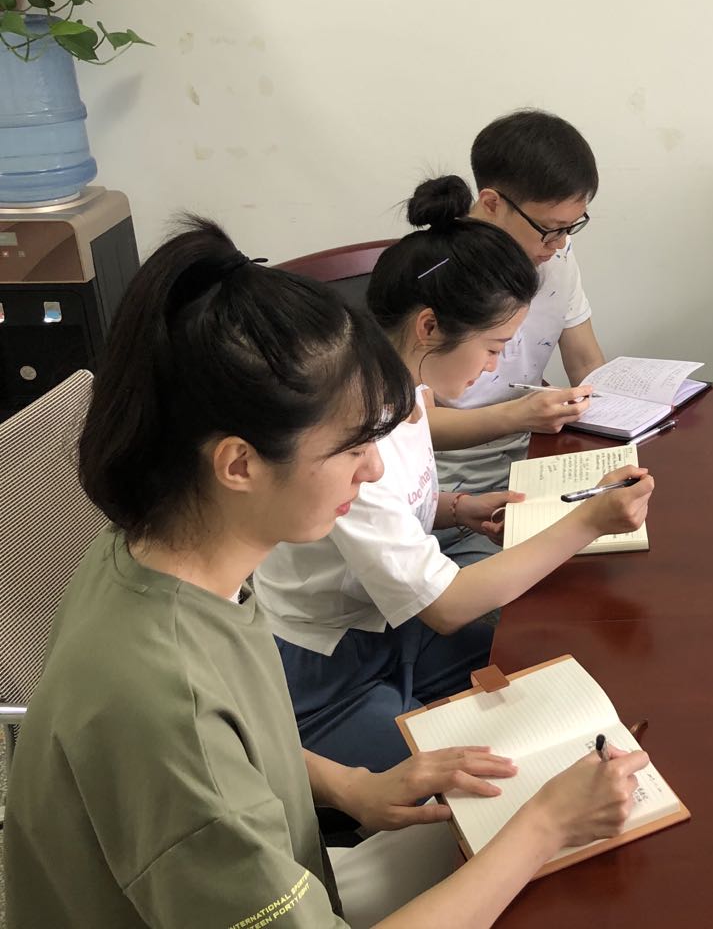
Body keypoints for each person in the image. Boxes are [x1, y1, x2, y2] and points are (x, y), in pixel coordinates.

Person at [4, 217, 652, 928]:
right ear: (240, 464)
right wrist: (543, 828)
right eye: (351, 447)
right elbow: (198, 752)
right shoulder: (163, 706)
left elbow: (240, 741)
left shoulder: (158, 553)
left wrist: (350, 787)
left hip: (285, 867)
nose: (373, 469)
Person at [254, 178, 653, 774]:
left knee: (552, 672)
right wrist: (588, 522)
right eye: (493, 347)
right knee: (491, 773)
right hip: (325, 671)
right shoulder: (351, 434)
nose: (497, 366)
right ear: (429, 327)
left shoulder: (408, 387)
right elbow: (444, 605)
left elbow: (389, 514)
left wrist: (457, 507)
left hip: (394, 628)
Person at [425, 110, 608, 566]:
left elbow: (585, 360)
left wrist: (622, 417)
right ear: (491, 203)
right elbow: (413, 425)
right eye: (550, 228)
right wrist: (519, 415)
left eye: (572, 226)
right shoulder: (433, 276)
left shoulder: (556, 257)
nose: (560, 243)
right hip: (451, 494)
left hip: (540, 463)